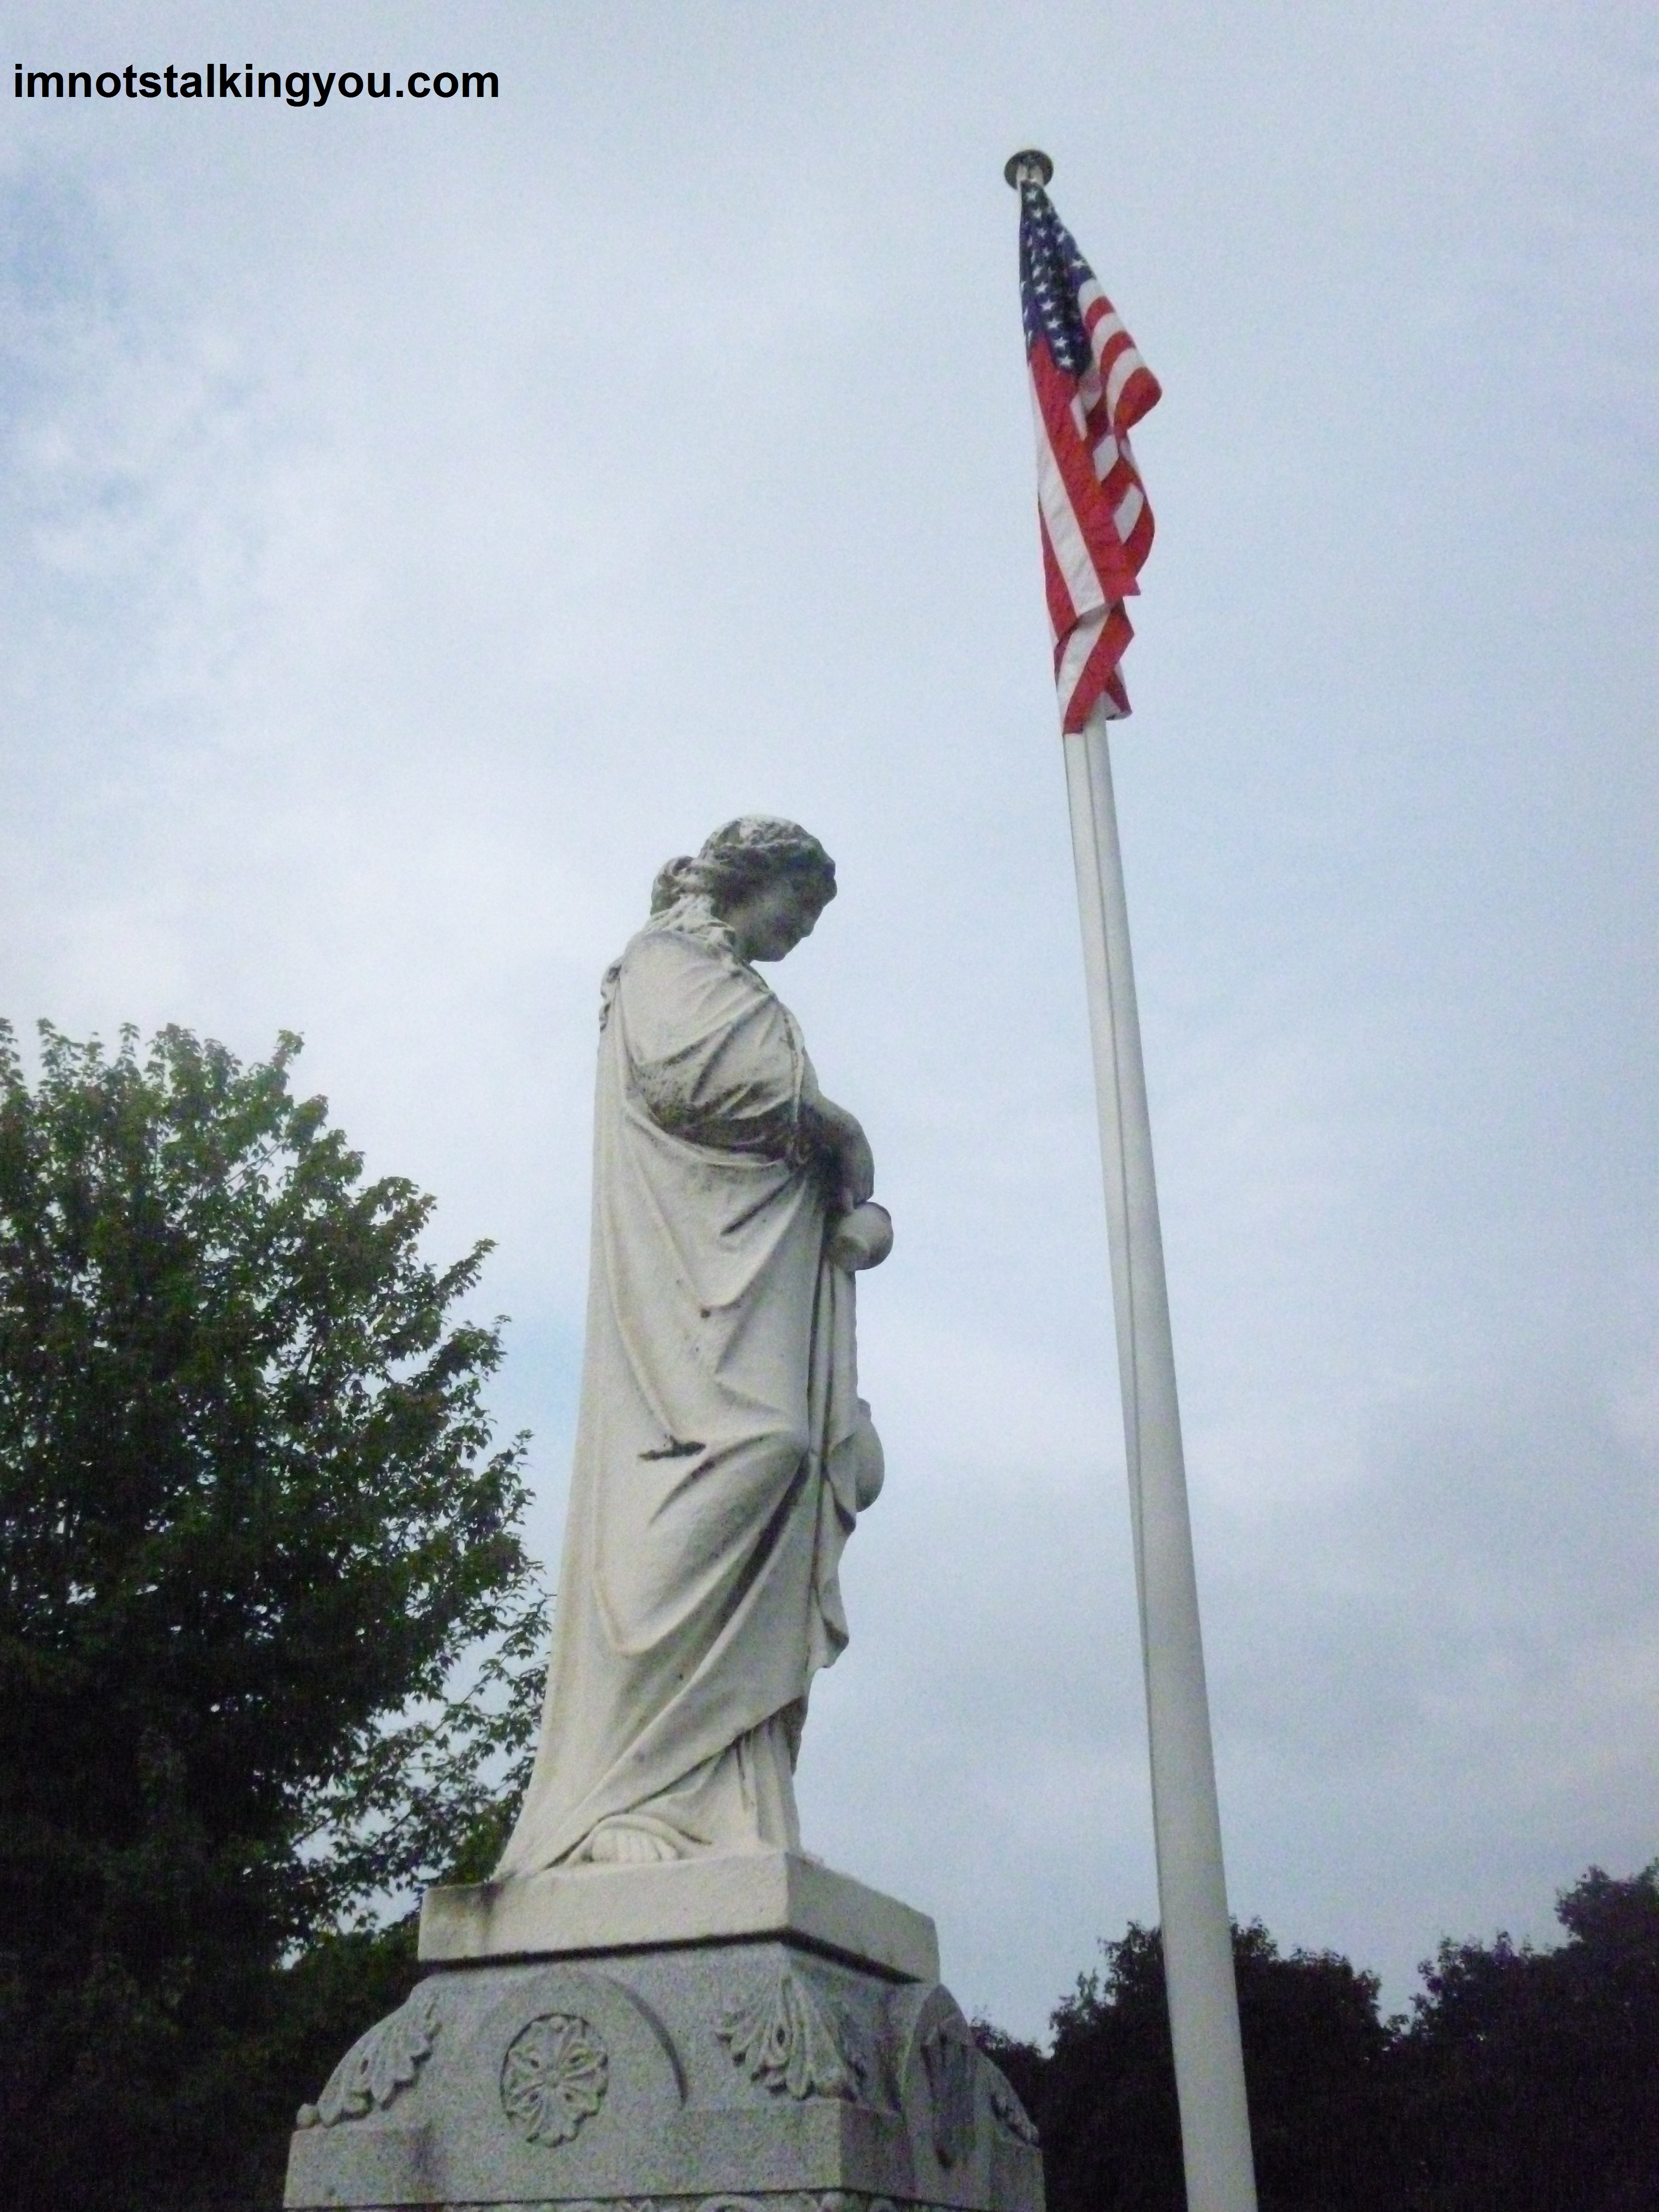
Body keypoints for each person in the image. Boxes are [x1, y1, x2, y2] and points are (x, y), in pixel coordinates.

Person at [495, 817, 888, 1874]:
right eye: (799, 906)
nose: (803, 931)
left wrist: (846, 1192)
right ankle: (622, 1789)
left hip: (757, 1275)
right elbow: (691, 1083)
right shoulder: (665, 961)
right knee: (758, 1453)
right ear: (748, 880)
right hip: (687, 1287)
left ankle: (723, 1800)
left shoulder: (738, 986)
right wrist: (834, 1127)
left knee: (792, 1476)